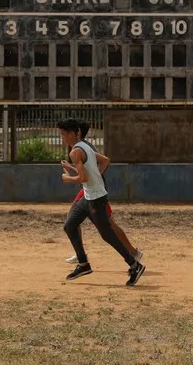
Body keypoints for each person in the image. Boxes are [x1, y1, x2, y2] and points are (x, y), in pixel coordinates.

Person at [58, 118, 146, 286]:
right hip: (88, 196)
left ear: (71, 134)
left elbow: (83, 177)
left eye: (63, 134)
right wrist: (74, 169)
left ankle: (134, 265)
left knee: (107, 234)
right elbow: (97, 166)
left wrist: (68, 178)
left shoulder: (75, 152)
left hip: (96, 198)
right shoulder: (85, 146)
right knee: (70, 225)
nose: (62, 137)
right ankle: (83, 264)